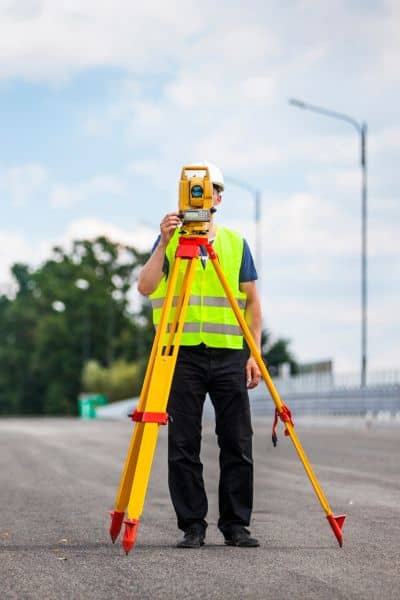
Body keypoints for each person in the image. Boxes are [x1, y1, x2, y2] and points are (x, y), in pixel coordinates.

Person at [137, 161, 262, 548]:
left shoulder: (235, 243)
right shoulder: (169, 242)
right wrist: (162, 241)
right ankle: (193, 525)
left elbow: (253, 305)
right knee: (183, 443)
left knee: (237, 442)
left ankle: (236, 524)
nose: (202, 197)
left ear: (218, 198)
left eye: (209, 190)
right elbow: (145, 287)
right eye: (194, 190)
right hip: (182, 356)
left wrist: (253, 355)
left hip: (228, 356)